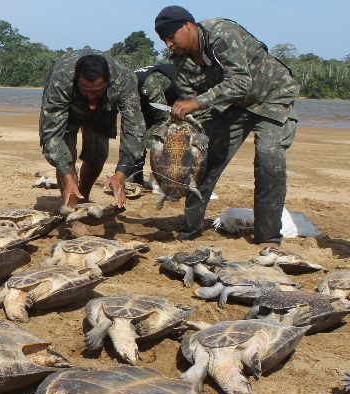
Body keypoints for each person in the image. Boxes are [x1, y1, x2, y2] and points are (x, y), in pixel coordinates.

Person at [155, 6, 299, 247]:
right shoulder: (180, 63)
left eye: (171, 37)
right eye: (163, 40)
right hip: (232, 106)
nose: (168, 44)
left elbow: (240, 82)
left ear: (188, 26)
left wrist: (195, 103)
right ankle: (189, 230)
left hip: (272, 97)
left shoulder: (221, 32)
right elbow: (194, 111)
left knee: (268, 162)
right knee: (206, 161)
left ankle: (268, 238)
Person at [40, 49, 145, 213]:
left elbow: (134, 128)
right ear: (76, 81)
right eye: (85, 90)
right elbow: (53, 135)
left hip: (104, 107)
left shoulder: (124, 79)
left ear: (108, 82)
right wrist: (67, 176)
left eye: (96, 91)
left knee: (97, 154)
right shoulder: (60, 78)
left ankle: (84, 196)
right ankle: (72, 206)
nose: (91, 99)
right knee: (67, 158)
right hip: (69, 107)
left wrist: (122, 173)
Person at [134, 63, 178, 187]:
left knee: (164, 132)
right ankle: (135, 178)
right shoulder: (131, 85)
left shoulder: (151, 82)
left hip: (165, 98)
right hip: (147, 100)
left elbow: (163, 119)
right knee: (134, 135)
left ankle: (160, 178)